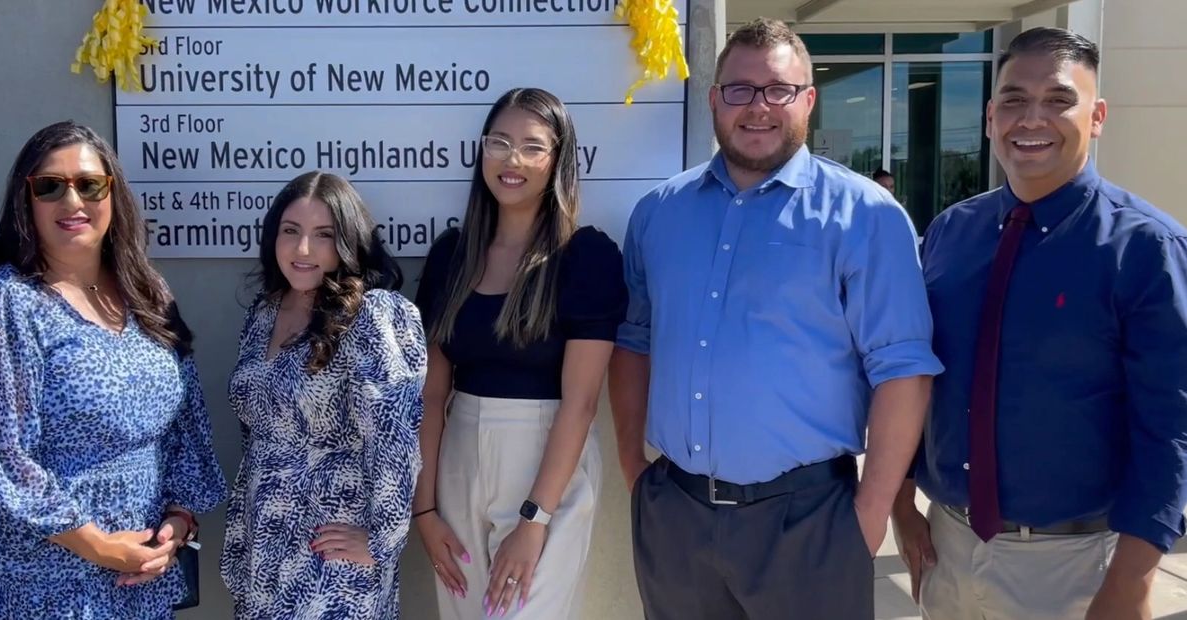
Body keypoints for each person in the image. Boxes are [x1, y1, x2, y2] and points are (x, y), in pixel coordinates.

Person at [609, 18, 943, 620]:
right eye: (739, 90)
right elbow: (634, 343)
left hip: (810, 525)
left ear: (808, 100)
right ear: (714, 99)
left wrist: (868, 518)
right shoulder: (659, 214)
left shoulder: (867, 216)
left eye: (779, 90)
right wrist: (637, 474)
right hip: (676, 518)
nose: (758, 107)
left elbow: (904, 370)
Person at [893, 27, 1187, 620]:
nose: (1032, 120)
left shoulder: (1146, 248)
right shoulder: (951, 233)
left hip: (1075, 565)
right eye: (1013, 100)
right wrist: (901, 506)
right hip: (949, 544)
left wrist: (1128, 585)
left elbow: (1172, 429)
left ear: (1097, 116)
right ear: (989, 116)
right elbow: (912, 377)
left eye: (1058, 100)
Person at [0, 120, 226, 618]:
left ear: (113, 195)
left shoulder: (148, 294)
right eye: (50, 186)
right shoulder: (3, 304)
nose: (72, 202)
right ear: (25, 201)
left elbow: (185, 425)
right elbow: (2, 461)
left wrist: (180, 519)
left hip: (139, 584)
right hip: (37, 588)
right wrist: (99, 545)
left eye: (89, 184)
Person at [413, 87, 626, 620]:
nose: (513, 160)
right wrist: (426, 508)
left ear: (558, 161)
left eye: (533, 147)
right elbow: (432, 394)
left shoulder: (587, 258)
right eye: (499, 142)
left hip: (546, 459)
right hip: (457, 459)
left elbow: (580, 404)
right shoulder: (450, 257)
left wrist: (535, 521)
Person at [220, 171, 427, 619]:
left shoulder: (370, 314)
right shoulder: (264, 312)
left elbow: (394, 435)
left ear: (348, 242)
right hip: (265, 540)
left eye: (324, 235)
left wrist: (381, 537)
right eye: (291, 231)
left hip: (332, 543)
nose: (303, 249)